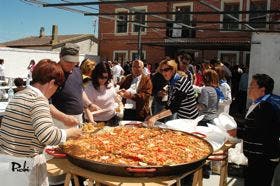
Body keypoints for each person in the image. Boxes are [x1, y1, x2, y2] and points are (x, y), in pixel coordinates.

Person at [0, 59, 81, 186]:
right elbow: (47, 135)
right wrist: (71, 132)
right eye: (57, 87)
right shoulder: (38, 100)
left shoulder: (19, 95)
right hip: (24, 166)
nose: (55, 91)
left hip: (5, 162)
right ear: (52, 83)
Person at [237, 74, 280, 186]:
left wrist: (236, 132)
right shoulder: (261, 103)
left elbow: (258, 133)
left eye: (252, 86)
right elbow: (254, 125)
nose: (249, 88)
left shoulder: (266, 107)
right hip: (258, 157)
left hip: (262, 159)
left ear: (262, 90)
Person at [50, 43, 100, 129]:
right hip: (59, 121)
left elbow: (80, 91)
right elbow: (46, 102)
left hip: (78, 118)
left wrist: (89, 104)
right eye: (67, 61)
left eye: (73, 61)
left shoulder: (77, 71)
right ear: (60, 56)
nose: (70, 64)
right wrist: (64, 118)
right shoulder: (52, 73)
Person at [146, 59, 199, 127]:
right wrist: (153, 116)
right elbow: (169, 105)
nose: (163, 73)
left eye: (166, 70)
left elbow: (174, 107)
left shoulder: (181, 82)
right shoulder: (171, 83)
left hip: (190, 120)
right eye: (161, 70)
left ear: (173, 70)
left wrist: (155, 117)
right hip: (181, 119)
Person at [84, 62, 123, 126]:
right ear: (96, 76)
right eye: (101, 77)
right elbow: (86, 107)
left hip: (112, 119)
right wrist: (91, 121)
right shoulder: (90, 88)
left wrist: (118, 96)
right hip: (96, 121)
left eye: (106, 77)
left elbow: (112, 96)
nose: (104, 80)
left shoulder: (110, 83)